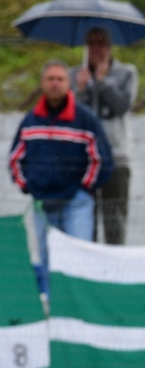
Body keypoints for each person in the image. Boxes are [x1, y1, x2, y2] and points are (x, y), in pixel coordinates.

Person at [8, 59, 112, 292]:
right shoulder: (31, 119)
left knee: (79, 255)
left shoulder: (84, 119)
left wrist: (85, 187)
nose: (55, 83)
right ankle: (51, 310)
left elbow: (102, 158)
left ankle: (80, 312)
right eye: (50, 79)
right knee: (47, 257)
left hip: (76, 202)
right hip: (43, 203)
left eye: (60, 79)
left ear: (69, 84)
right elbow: (15, 159)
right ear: (42, 83)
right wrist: (28, 186)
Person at [70, 27, 137, 245]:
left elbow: (122, 106)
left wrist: (101, 81)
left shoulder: (126, 73)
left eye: (101, 43)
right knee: (85, 219)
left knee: (114, 219)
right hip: (85, 159)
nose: (96, 49)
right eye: (92, 43)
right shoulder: (76, 76)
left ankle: (115, 265)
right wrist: (80, 90)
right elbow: (72, 115)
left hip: (116, 157)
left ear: (109, 47)